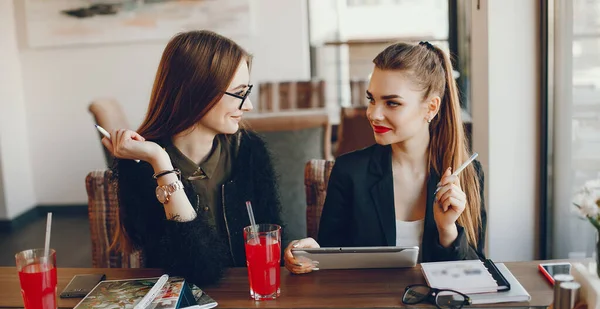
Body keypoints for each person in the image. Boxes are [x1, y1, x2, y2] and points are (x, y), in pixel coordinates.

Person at [285, 41, 486, 274]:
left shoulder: (467, 175)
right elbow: (331, 259)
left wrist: (448, 230)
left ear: (431, 108)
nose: (373, 114)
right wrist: (311, 254)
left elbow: (476, 272)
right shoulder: (350, 172)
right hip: (370, 308)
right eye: (372, 99)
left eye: (392, 103)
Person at [102, 30, 282, 286]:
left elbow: (271, 242)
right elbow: (195, 272)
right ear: (198, 92)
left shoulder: (249, 151)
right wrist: (160, 162)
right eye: (240, 93)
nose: (249, 105)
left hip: (251, 297)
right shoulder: (140, 167)